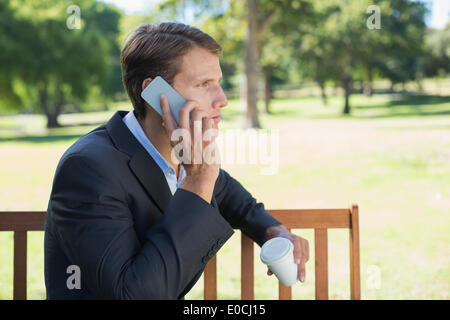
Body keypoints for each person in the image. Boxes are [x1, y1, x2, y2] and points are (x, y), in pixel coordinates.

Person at [44, 22, 309, 299]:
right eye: (204, 84)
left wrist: (273, 230)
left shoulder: (183, 151)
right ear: (157, 95)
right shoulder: (88, 168)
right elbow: (132, 295)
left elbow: (230, 195)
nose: (222, 100)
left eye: (218, 82)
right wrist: (197, 182)